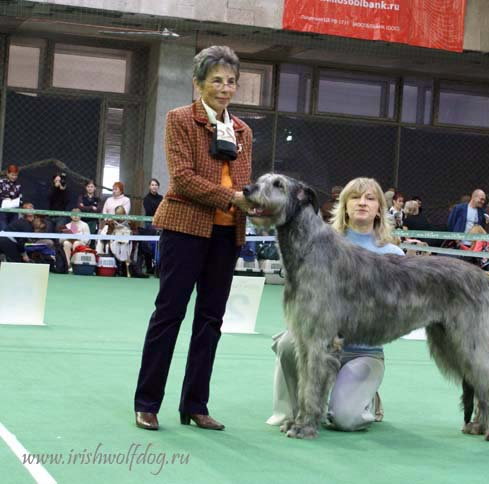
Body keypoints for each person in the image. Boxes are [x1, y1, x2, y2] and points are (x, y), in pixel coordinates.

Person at [133, 45, 253, 432]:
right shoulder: (180, 119)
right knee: (169, 314)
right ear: (198, 83)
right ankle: (148, 403)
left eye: (231, 81)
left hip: (227, 233)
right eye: (216, 80)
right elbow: (182, 178)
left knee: (211, 320)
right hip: (184, 229)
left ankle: (195, 405)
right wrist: (233, 198)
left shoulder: (242, 131)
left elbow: (245, 183)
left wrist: (254, 201)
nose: (224, 87)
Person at [267, 177, 403, 431]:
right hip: (319, 342)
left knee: (345, 420)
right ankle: (297, 411)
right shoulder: (319, 243)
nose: (362, 203)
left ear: (379, 209)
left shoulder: (393, 254)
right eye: (355, 197)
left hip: (363, 351)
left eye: (370, 198)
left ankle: (366, 398)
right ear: (344, 205)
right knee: (288, 343)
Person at [0, 164, 22, 230]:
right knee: (3, 228)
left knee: (13, 228)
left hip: (14, 210)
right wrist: (4, 199)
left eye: (16, 175)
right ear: (7, 173)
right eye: (12, 175)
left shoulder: (18, 185)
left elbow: (20, 197)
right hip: (2, 210)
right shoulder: (1, 182)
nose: (14, 177)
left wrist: (19, 202)